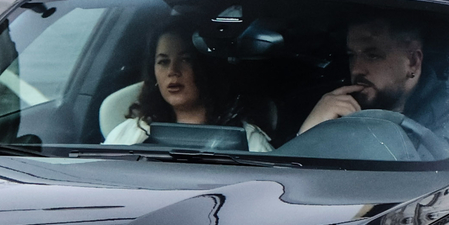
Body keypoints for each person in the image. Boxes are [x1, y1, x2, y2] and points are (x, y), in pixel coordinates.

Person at [106, 26, 275, 150]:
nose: (173, 71)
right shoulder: (131, 134)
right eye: (163, 62)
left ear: (206, 68)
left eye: (185, 60)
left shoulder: (247, 139)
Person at [298, 14, 429, 134]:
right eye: (351, 55)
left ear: (413, 62)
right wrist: (311, 133)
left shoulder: (445, 118)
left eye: (373, 56)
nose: (355, 70)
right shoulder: (335, 105)